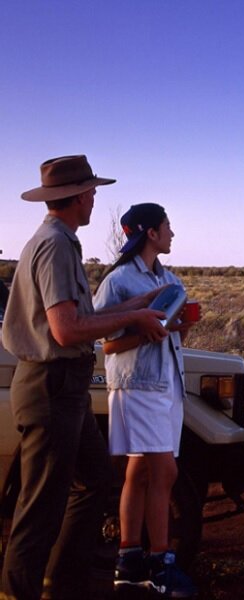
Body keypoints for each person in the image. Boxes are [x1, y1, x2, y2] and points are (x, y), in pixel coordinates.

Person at [1, 155, 169, 600]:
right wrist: (133, 315)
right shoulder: (55, 245)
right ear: (77, 196)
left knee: (93, 479)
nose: (95, 198)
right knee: (39, 510)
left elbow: (82, 317)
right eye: (92, 191)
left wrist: (141, 304)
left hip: (67, 389)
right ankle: (19, 592)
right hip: (51, 387)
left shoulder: (63, 241)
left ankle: (61, 582)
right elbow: (65, 330)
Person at [93, 203, 198, 598]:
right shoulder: (119, 282)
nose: (172, 232)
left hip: (167, 381)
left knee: (139, 472)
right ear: (150, 232)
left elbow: (171, 336)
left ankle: (129, 562)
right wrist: (144, 334)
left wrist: (180, 328)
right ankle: (160, 565)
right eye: (167, 226)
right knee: (165, 473)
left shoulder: (169, 279)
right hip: (137, 386)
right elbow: (106, 344)